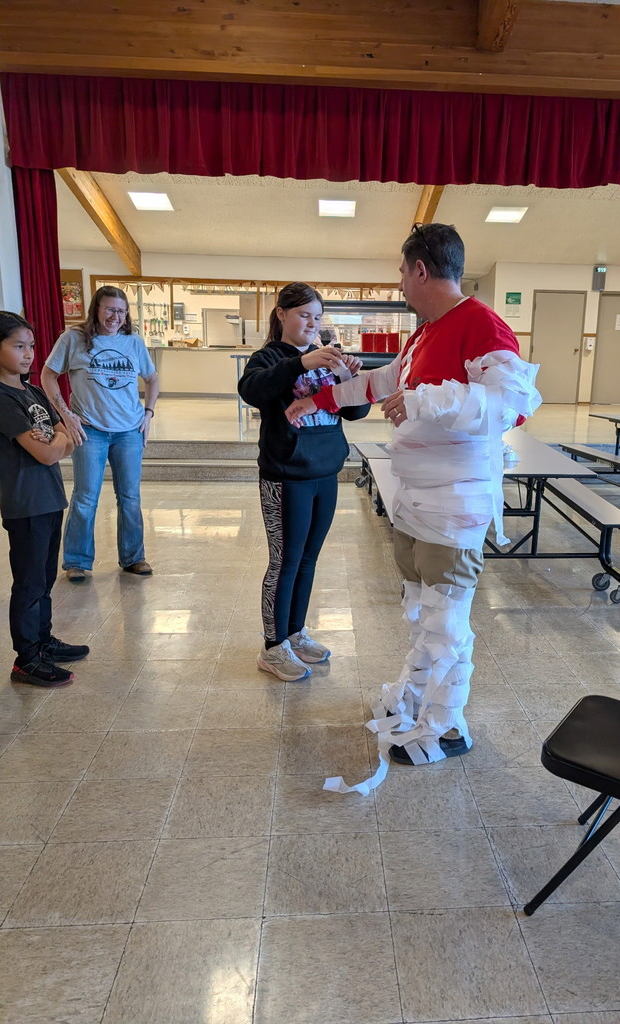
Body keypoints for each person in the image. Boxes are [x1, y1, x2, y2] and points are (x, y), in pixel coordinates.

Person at [285, 224, 541, 792]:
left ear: (421, 269)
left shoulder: (479, 322)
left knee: (447, 621)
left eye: (402, 272)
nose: (400, 283)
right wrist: (318, 399)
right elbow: (384, 383)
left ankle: (446, 726)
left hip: (456, 506)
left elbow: (514, 404)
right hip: (417, 503)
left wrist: (426, 399)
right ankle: (418, 698)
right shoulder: (425, 333)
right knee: (425, 613)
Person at [238, 282, 370, 681]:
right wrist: (303, 363)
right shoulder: (269, 358)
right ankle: (273, 646)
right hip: (286, 476)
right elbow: (251, 390)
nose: (311, 324)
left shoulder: (328, 359)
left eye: (316, 317)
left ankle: (294, 633)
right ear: (281, 314)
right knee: (285, 562)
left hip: (325, 471)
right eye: (303, 315)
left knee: (308, 560)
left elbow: (357, 412)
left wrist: (346, 376)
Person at [41, 286, 159, 581]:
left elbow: (152, 378)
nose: (115, 317)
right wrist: (65, 415)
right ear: (96, 309)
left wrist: (148, 413)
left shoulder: (133, 342)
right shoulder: (73, 339)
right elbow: (48, 375)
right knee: (86, 496)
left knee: (130, 497)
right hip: (89, 430)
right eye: (109, 310)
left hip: (129, 431)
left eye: (121, 311)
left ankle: (134, 557)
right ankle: (77, 561)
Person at [0, 311, 90, 687]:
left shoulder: (32, 391)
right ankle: (27, 658)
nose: (28, 354)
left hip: (50, 497)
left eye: (31, 346)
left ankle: (43, 640)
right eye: (18, 346)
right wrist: (59, 438)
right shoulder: (3, 398)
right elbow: (51, 451)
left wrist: (59, 436)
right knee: (29, 581)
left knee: (45, 578)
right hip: (26, 502)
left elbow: (65, 434)